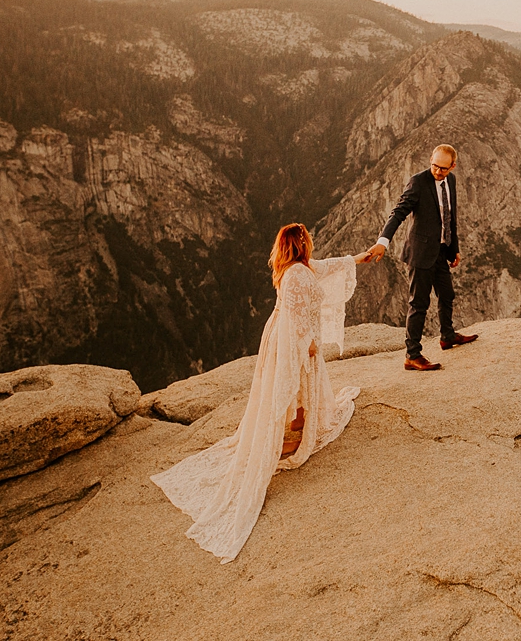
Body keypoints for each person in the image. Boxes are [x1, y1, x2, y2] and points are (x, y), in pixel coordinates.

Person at [151, 223, 371, 563]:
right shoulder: (297, 275)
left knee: (296, 386)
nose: (311, 244)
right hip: (292, 339)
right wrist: (309, 344)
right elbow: (298, 318)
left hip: (284, 335)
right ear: (301, 244)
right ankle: (292, 430)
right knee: (294, 382)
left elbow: (327, 265)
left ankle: (297, 423)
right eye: (308, 239)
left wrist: (359, 258)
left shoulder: (298, 268)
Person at [365, 144, 477, 370]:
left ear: (452, 166)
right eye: (435, 166)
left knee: (447, 295)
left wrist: (453, 248)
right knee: (419, 304)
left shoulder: (451, 180)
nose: (438, 172)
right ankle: (412, 355)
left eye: (443, 169)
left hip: (440, 252)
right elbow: (398, 212)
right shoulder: (418, 182)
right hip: (420, 253)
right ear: (430, 160)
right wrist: (382, 241)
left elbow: (449, 218)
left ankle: (447, 336)